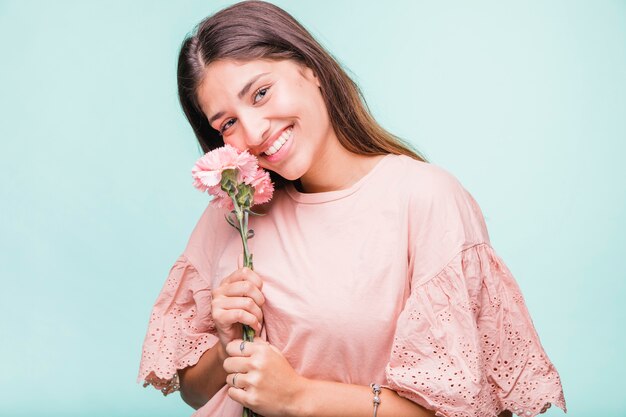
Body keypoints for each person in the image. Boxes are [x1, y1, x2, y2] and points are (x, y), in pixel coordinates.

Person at [137, 1, 567, 416]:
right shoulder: (235, 210)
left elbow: (473, 410)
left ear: (311, 69)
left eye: (262, 93)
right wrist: (228, 345)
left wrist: (300, 398)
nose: (252, 131)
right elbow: (195, 394)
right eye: (226, 123)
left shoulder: (424, 198)